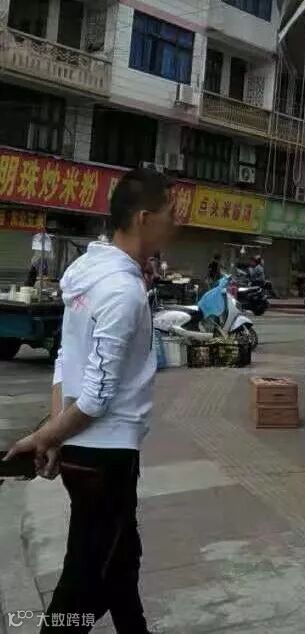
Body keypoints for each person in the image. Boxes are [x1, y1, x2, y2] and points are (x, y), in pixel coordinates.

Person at [4, 168, 176, 634]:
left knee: (121, 562)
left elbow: (67, 360)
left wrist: (56, 432)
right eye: (170, 214)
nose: (175, 224)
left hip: (86, 450)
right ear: (143, 219)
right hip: (106, 457)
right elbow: (97, 397)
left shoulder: (87, 273)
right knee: (83, 586)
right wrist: (44, 437)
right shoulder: (122, 291)